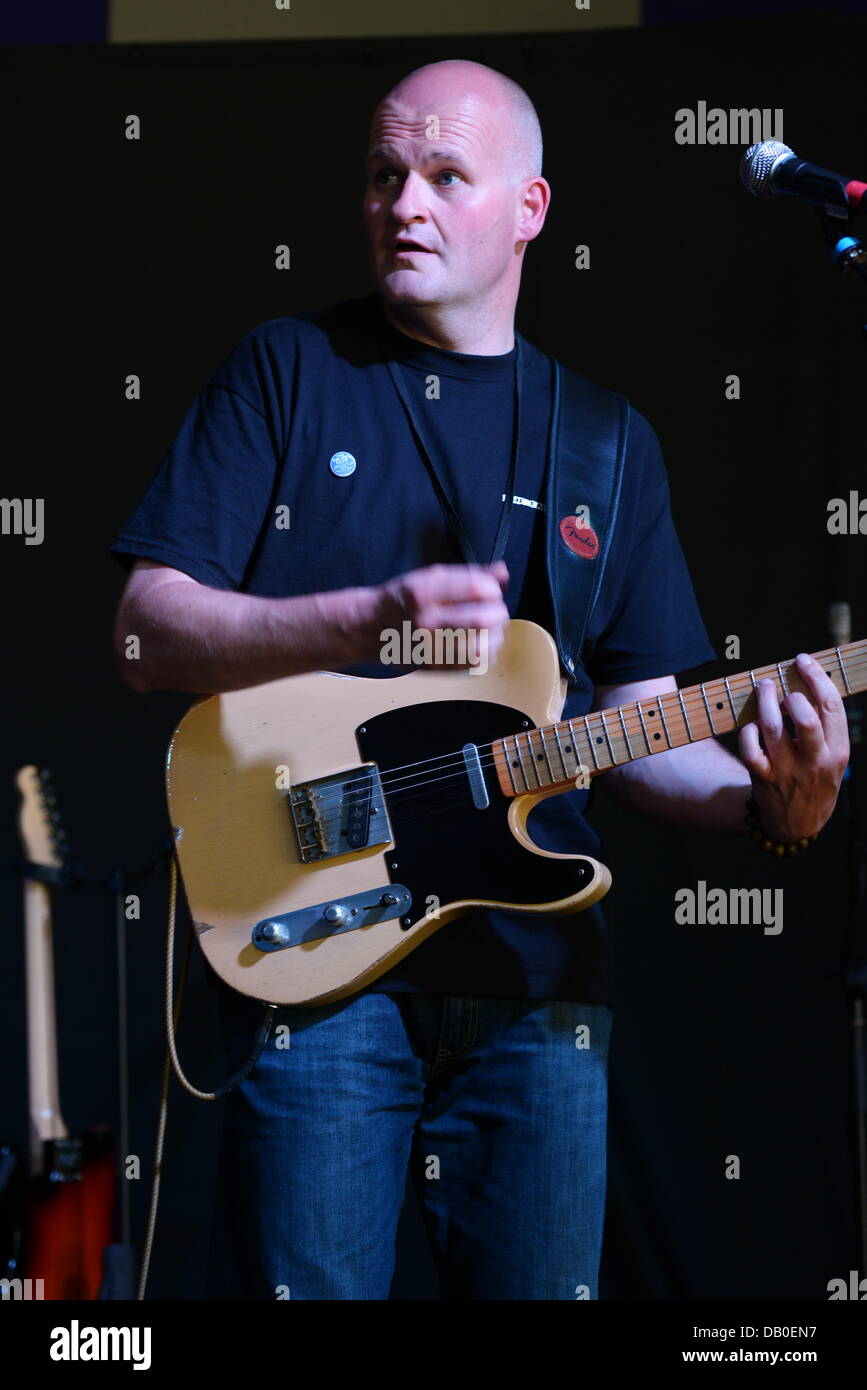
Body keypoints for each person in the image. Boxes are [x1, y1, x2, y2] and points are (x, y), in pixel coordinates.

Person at [110, 59, 848, 1300]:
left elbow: (629, 722)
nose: (405, 201)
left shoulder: (606, 442)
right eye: (386, 174)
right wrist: (369, 612)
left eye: (446, 175)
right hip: (316, 964)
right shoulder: (289, 369)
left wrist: (770, 809)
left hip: (535, 989)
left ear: (530, 207)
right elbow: (145, 631)